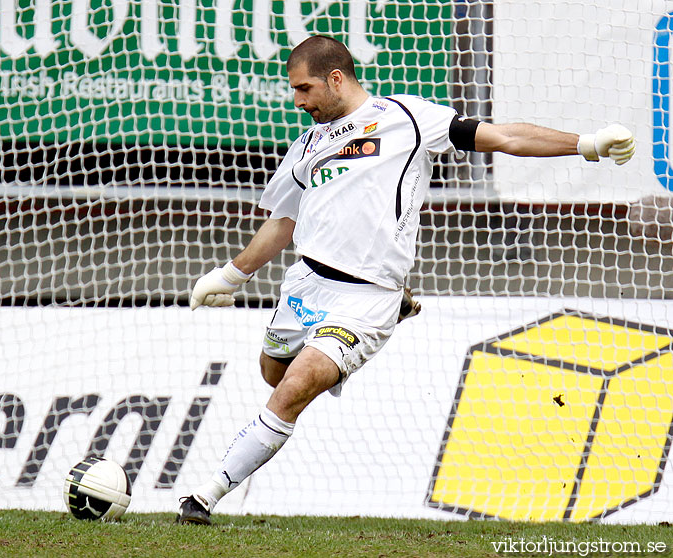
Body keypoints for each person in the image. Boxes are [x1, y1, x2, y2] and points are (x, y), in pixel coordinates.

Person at [177, 35, 635, 524]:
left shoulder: (407, 117)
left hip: (365, 297)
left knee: (294, 389)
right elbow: (282, 222)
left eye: (304, 88)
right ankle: (389, 312)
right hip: (304, 284)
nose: (298, 102)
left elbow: (504, 137)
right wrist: (231, 275)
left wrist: (585, 144)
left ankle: (203, 497)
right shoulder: (307, 145)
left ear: (336, 78)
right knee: (274, 373)